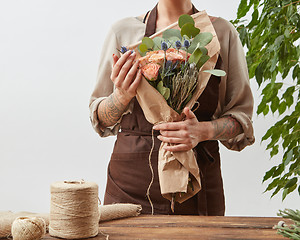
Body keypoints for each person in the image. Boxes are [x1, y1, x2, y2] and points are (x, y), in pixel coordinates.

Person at [89, 0, 255, 215]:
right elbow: (101, 119)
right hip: (130, 186)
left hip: (197, 183)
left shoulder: (221, 32)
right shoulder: (123, 32)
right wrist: (121, 97)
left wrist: (203, 131)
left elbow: (241, 119)